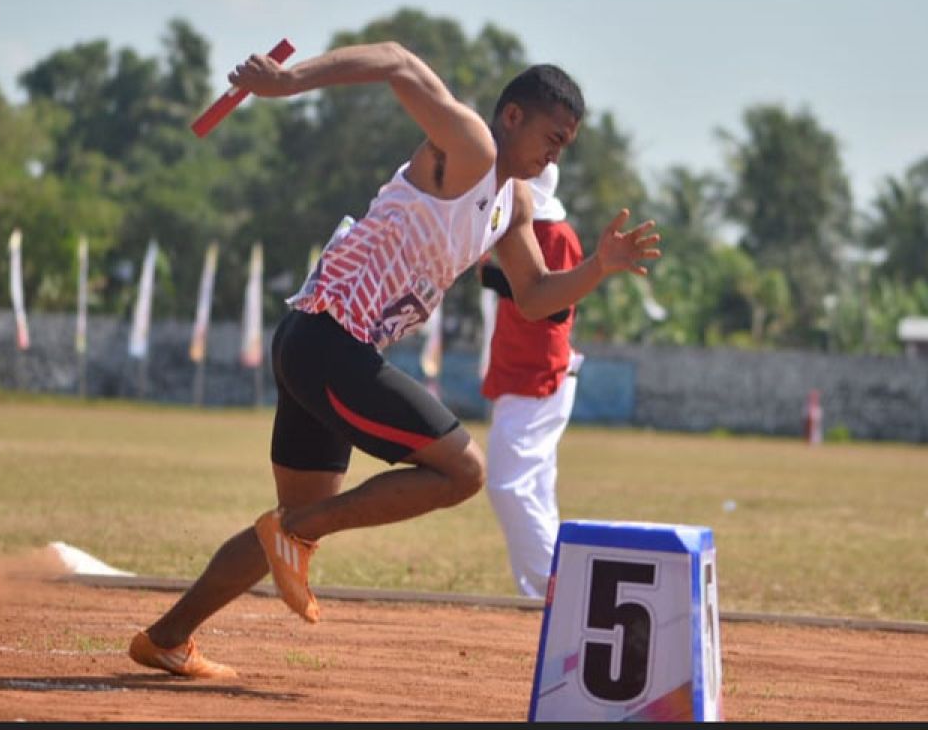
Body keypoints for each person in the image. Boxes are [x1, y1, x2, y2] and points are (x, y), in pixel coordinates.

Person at [127, 41, 661, 678]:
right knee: (463, 471)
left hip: (313, 343)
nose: (555, 155)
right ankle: (295, 535)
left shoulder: (513, 204)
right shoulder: (471, 146)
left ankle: (168, 637)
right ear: (513, 116)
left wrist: (599, 266)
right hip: (330, 341)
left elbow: (536, 296)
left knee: (294, 519)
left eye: (565, 145)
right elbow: (396, 61)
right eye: (552, 138)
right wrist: (288, 83)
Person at [477, 162, 583, 599]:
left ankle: (554, 588)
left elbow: (556, 307)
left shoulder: (555, 235)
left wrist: (503, 279)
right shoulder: (516, 228)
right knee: (535, 488)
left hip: (538, 376)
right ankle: (554, 587)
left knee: (507, 485)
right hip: (523, 372)